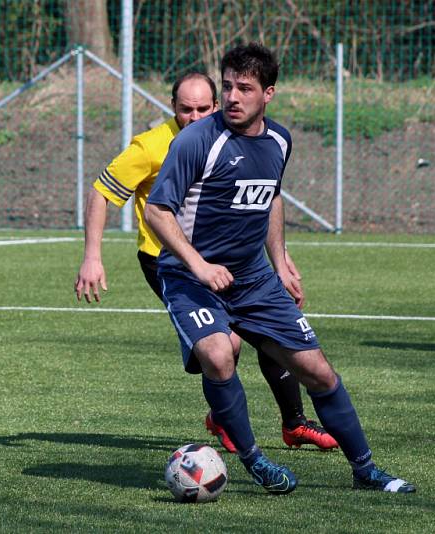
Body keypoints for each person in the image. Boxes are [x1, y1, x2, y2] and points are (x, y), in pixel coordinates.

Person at [144, 43, 414, 494]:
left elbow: (269, 196)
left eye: (244, 88)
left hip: (254, 279)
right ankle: (253, 460)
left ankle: (365, 470)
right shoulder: (196, 141)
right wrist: (200, 264)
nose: (232, 96)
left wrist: (281, 261)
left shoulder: (279, 141)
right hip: (192, 279)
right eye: (227, 85)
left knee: (319, 372)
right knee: (217, 354)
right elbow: (157, 211)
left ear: (268, 93)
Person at [74, 72, 337, 452]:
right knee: (224, 345)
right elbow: (102, 193)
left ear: (216, 105)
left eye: (202, 108)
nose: (194, 117)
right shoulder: (150, 147)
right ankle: (224, 415)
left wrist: (280, 260)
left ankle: (294, 423)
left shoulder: (233, 138)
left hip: (233, 259)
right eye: (185, 110)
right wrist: (92, 256)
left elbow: (259, 201)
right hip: (169, 263)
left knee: (270, 330)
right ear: (172, 108)